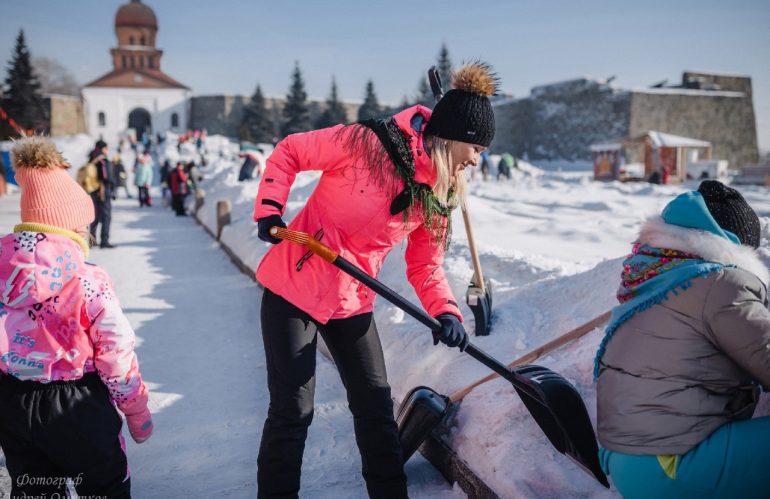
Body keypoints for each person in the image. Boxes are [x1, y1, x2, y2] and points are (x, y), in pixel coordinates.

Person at [253, 61, 498, 498]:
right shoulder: (363, 142)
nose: (479, 159)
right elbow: (290, 151)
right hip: (295, 285)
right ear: (454, 137)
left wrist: (445, 310)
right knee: (293, 409)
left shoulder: (436, 193)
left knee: (375, 407)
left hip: (352, 298)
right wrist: (270, 209)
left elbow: (425, 266)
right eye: (476, 148)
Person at [595, 180, 769, 499]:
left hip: (630, 461)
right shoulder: (720, 283)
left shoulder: (656, 278)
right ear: (738, 247)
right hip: (670, 464)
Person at [0, 136, 153, 498]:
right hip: (77, 404)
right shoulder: (89, 279)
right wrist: (135, 409)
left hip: (11, 401)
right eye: (84, 226)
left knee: (35, 487)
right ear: (70, 228)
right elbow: (116, 351)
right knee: (105, 486)